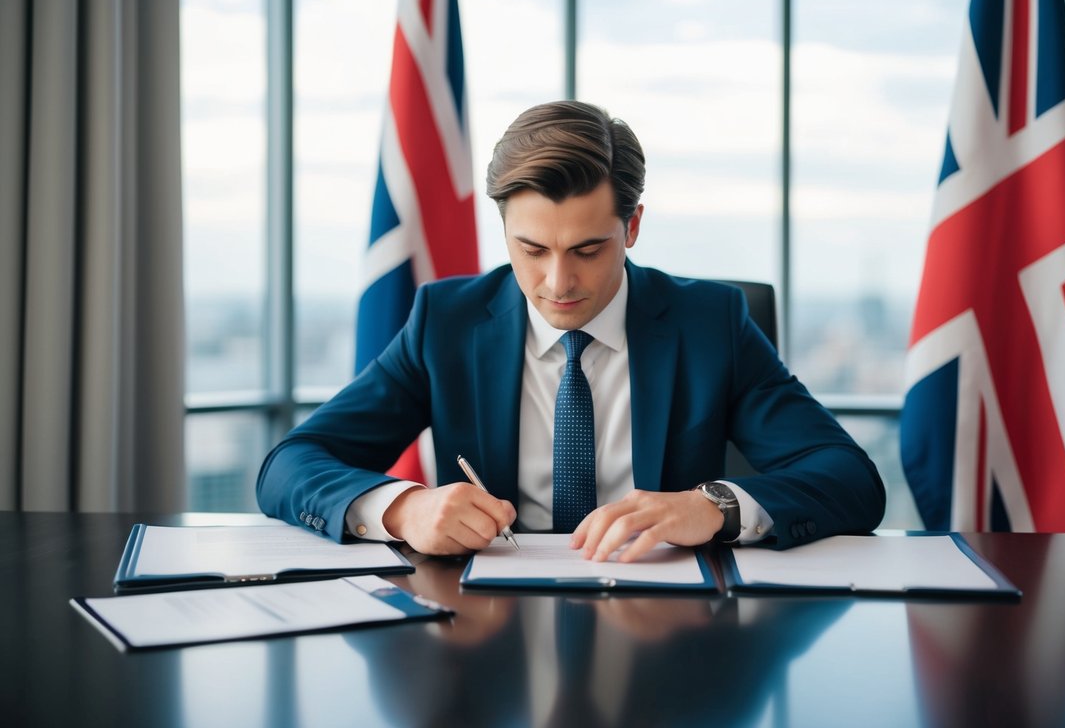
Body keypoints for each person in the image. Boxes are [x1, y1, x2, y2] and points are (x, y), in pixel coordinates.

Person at [256, 100, 885, 561]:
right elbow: (290, 466)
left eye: (588, 249)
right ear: (503, 228)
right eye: (531, 249)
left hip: (673, 631)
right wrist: (403, 508)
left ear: (631, 227)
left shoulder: (709, 323)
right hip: (487, 631)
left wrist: (712, 506)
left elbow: (848, 477)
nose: (558, 282)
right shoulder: (444, 322)